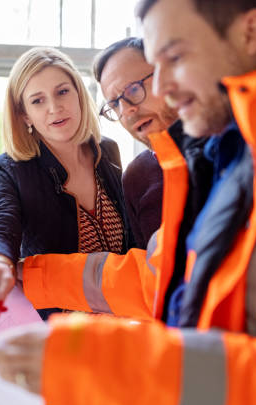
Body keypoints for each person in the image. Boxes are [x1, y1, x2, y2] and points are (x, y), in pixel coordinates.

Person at [0, 0, 256, 405]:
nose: (161, 89)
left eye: (175, 57)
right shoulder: (227, 153)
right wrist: (32, 275)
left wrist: (101, 360)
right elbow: (165, 280)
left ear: (251, 33)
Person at [0, 47, 132, 320]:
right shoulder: (10, 169)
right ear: (24, 115)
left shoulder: (107, 151)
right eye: (37, 101)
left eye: (62, 92)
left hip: (125, 318)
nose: (54, 107)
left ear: (79, 94)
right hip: (57, 327)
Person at [94, 37, 211, 249]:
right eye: (115, 104)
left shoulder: (227, 147)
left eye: (133, 89)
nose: (126, 110)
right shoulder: (135, 177)